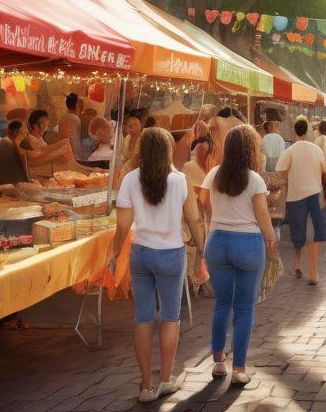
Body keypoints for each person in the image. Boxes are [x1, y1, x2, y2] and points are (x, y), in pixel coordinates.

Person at [111, 128, 206, 403]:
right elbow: (193, 219)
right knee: (170, 317)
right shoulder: (179, 180)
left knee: (142, 318)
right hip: (171, 255)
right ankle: (165, 379)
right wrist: (201, 251)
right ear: (167, 150)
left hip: (141, 253)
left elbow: (122, 225)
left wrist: (115, 253)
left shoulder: (130, 179)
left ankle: (146, 385)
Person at [200, 124, 277, 387]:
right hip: (247, 243)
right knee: (244, 308)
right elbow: (262, 214)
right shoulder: (254, 179)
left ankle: (219, 361)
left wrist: (217, 219)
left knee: (222, 304)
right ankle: (239, 368)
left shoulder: (214, 174)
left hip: (217, 242)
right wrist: (271, 240)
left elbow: (203, 201)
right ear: (251, 149)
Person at [278, 116, 326, 286]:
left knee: (297, 233)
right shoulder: (316, 149)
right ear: (306, 131)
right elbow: (324, 171)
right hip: (314, 193)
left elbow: (281, 173)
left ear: (295, 130)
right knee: (313, 233)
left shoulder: (289, 151)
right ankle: (313, 272)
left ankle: (298, 264)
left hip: (295, 195)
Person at [182, 136, 214, 296]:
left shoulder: (211, 166)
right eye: (200, 149)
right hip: (194, 215)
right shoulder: (188, 166)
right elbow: (188, 192)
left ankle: (202, 283)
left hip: (208, 215)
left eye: (206, 150)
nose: (204, 153)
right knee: (194, 250)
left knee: (204, 249)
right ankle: (191, 283)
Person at [20, 109, 74, 178]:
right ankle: (74, 166)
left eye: (46, 121)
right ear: (35, 126)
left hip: (47, 170)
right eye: (43, 122)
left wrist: (60, 157)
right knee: (65, 142)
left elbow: (46, 152)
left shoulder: (39, 138)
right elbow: (37, 159)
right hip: (38, 174)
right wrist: (58, 151)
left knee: (65, 144)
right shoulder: (30, 139)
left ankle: (73, 165)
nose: (46, 124)